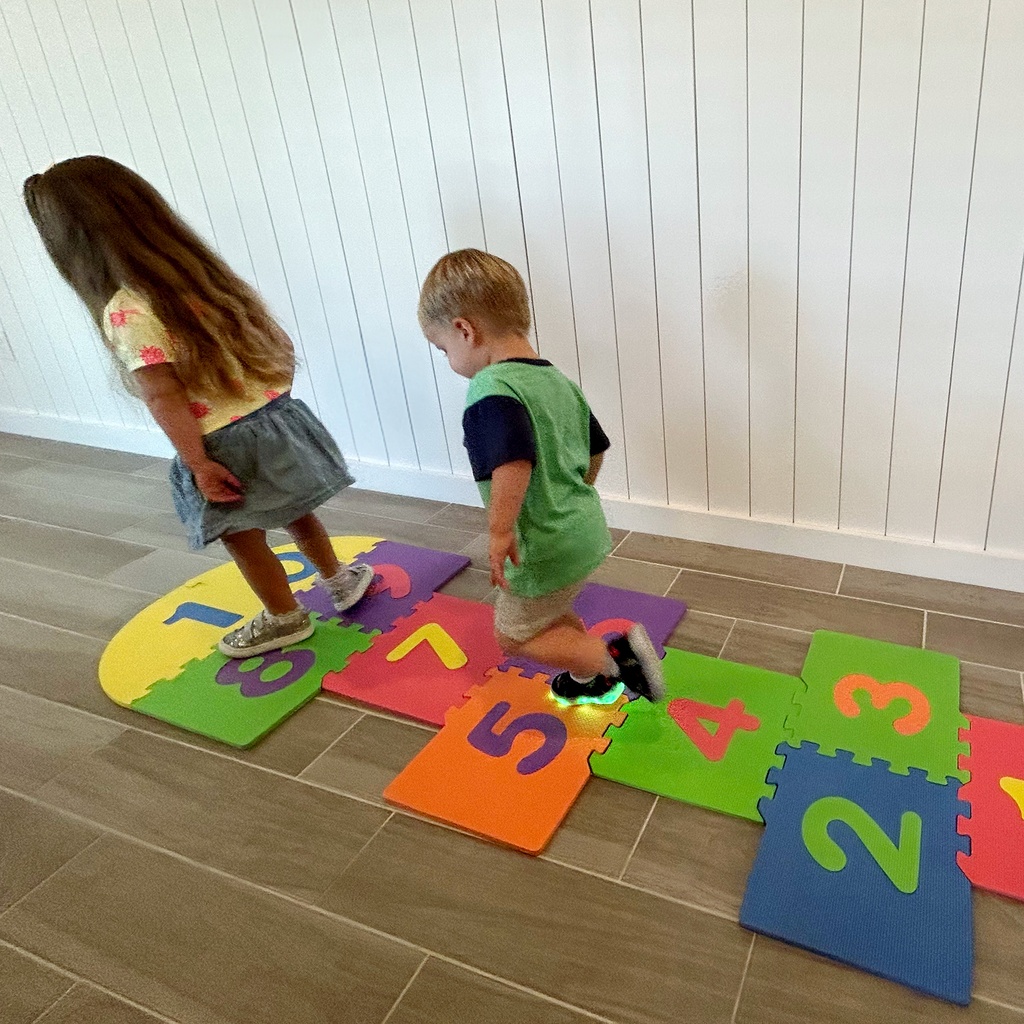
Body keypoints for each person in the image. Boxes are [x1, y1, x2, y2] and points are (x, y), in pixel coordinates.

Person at [23, 156, 372, 658]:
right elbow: (270, 338)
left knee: (242, 534)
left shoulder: (129, 311)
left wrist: (198, 465)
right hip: (276, 418)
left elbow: (163, 395)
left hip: (222, 441)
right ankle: (338, 580)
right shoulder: (200, 275)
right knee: (297, 510)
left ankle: (284, 617)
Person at [418, 248, 664, 704]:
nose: (448, 359)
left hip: (542, 546)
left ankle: (616, 661)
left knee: (514, 634)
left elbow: (512, 462)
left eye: (443, 349)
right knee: (548, 614)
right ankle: (587, 676)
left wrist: (498, 530)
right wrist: (570, 495)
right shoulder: (557, 381)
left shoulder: (491, 387)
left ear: (464, 330)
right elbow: (596, 450)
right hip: (582, 530)